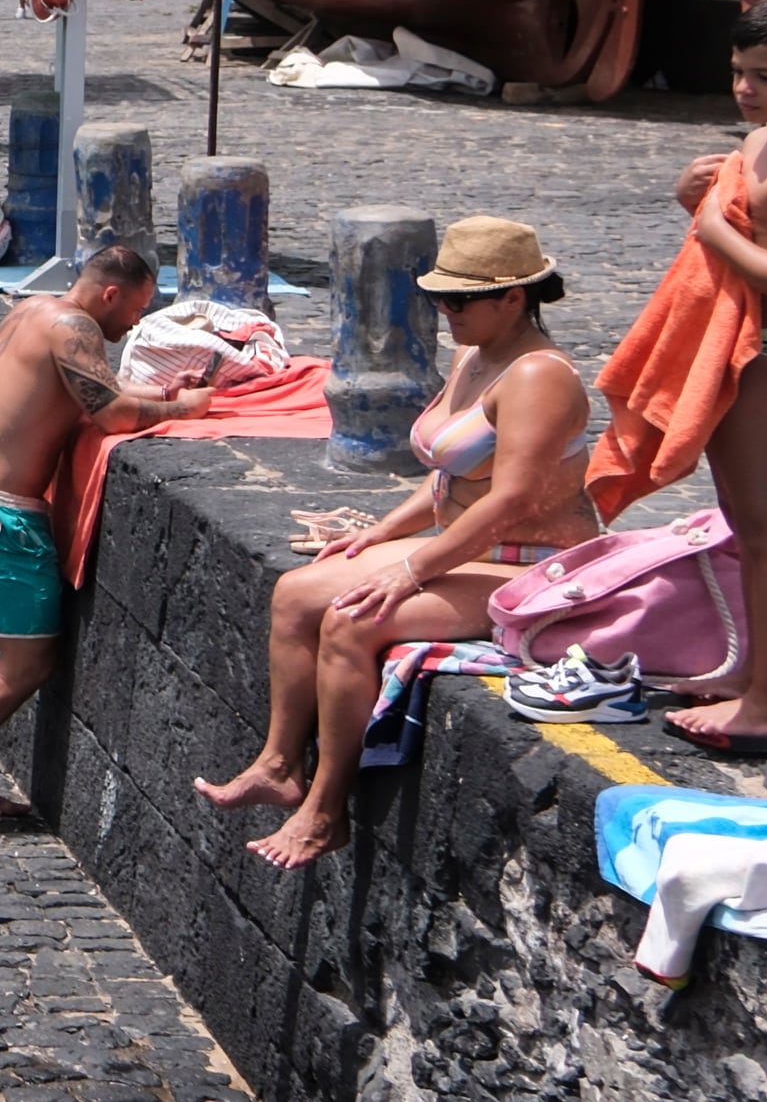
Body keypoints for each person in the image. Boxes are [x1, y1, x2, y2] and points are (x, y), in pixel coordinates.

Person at [192, 219, 598, 863]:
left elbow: (512, 499)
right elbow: (449, 473)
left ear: (514, 298)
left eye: (459, 301)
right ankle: (277, 765)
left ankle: (326, 810)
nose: (445, 312)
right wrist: (380, 533)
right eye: (439, 298)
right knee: (297, 594)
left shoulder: (537, 377)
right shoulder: (474, 356)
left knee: (352, 623)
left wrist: (409, 569)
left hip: (532, 566)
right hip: (469, 544)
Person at [598, 0, 767, 757]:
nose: (747, 90)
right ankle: (750, 674)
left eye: (766, 76)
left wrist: (710, 225)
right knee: (746, 531)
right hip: (745, 352)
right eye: (739, 73)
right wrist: (700, 197)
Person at [0, 246, 215, 825]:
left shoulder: (35, 311)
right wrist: (190, 412)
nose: (133, 324)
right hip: (2, 518)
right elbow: (112, 416)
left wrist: (167, 395)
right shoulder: (75, 328)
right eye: (136, 309)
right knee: (29, 660)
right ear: (111, 294)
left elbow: (94, 394)